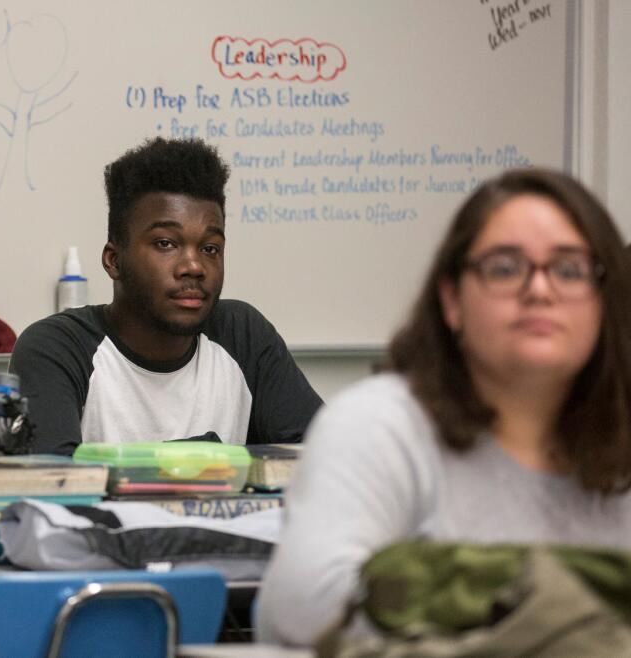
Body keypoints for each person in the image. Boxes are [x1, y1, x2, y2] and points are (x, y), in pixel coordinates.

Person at [256, 168, 631, 646]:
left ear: (603, 299)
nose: (540, 290)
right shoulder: (378, 425)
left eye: (569, 269)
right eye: (505, 268)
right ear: (453, 300)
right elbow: (300, 615)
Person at [10, 137, 322, 455]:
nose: (194, 266)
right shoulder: (56, 348)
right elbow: (52, 484)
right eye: (165, 244)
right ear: (114, 261)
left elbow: (321, 460)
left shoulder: (243, 336)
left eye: (210, 248)